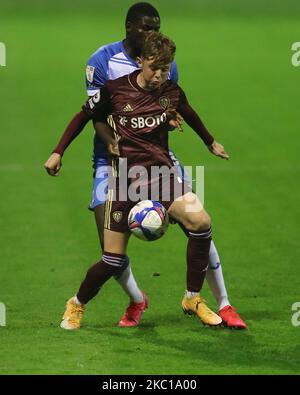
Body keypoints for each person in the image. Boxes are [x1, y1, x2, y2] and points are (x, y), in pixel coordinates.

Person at [44, 2, 246, 329]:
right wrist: (58, 151)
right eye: (155, 69)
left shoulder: (169, 88)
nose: (161, 76)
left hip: (161, 173)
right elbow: (85, 114)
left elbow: (188, 111)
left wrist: (209, 141)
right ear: (140, 62)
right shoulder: (114, 87)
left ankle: (195, 297)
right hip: (124, 176)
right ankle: (78, 302)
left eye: (166, 70)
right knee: (111, 259)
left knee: (201, 223)